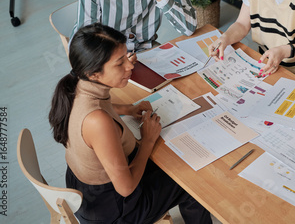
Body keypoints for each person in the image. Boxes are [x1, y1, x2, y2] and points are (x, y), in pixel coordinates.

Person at [49, 23, 212, 223]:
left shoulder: (76, 85)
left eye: (127, 56)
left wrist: (126, 108)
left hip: (85, 187)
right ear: (94, 73)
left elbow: (99, 106)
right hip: (113, 209)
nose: (130, 66)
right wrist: (148, 141)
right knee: (190, 182)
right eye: (120, 63)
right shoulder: (97, 122)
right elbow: (126, 188)